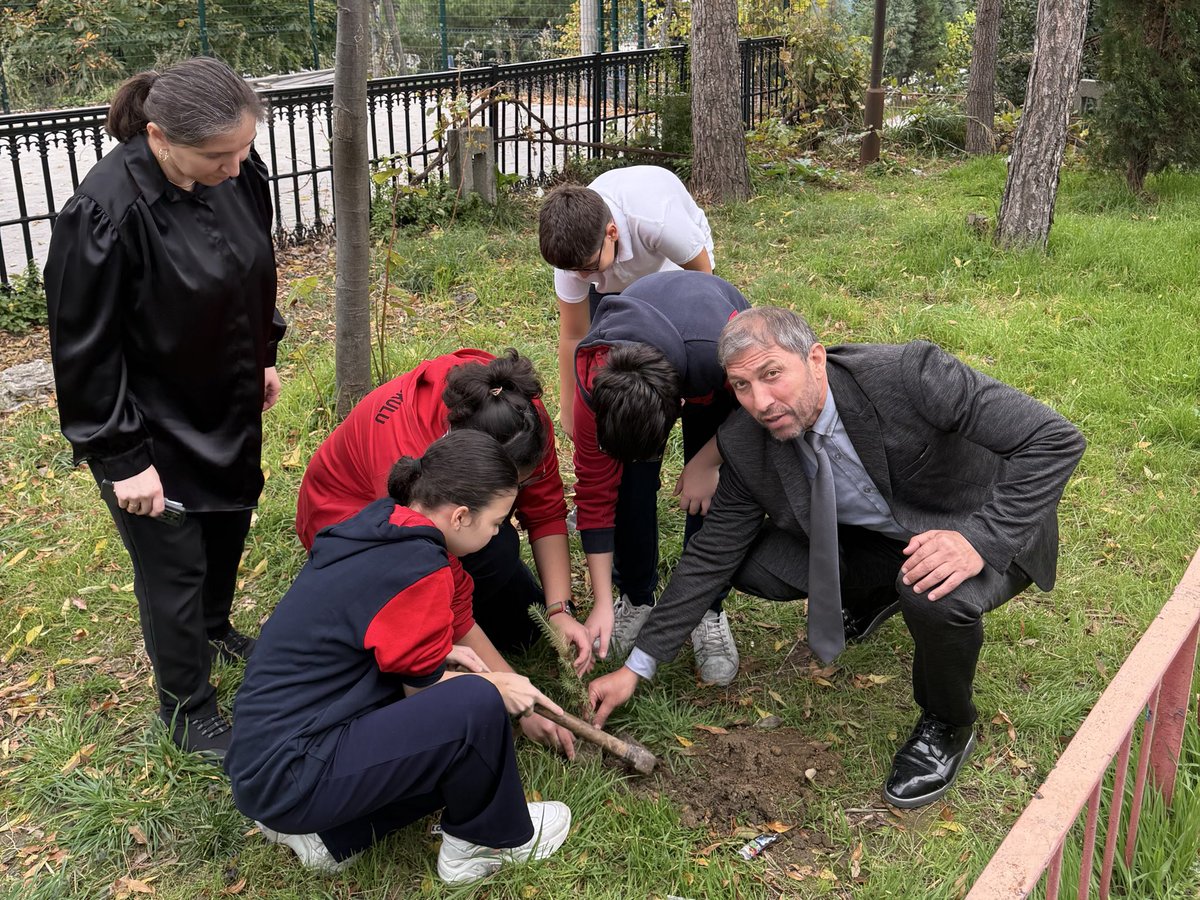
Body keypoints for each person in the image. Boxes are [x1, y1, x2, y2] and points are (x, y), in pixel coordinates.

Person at [588, 307, 1086, 809]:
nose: (759, 402)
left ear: (816, 359)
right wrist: (637, 666)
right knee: (748, 561)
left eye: (772, 374)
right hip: (880, 537)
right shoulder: (745, 442)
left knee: (930, 593)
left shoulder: (908, 376)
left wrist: (980, 538)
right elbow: (710, 555)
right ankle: (872, 593)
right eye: (740, 386)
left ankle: (948, 723)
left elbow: (1055, 439)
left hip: (985, 525)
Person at [43, 57, 286, 759]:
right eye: (219, 155)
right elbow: (83, 351)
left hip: (223, 395)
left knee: (228, 523)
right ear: (159, 136)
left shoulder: (239, 172)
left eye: (243, 148)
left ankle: (214, 626)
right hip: (147, 422)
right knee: (172, 561)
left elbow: (255, 270)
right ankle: (187, 708)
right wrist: (123, 459)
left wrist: (262, 353)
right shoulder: (104, 211)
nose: (237, 167)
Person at [226, 431, 572, 882]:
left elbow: (375, 646)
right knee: (477, 705)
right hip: (290, 771)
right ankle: (484, 842)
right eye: (497, 521)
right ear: (462, 516)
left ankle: (332, 835)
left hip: (268, 761)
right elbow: (424, 695)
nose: (500, 533)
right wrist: (497, 685)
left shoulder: (386, 526)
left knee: (461, 690)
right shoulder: (418, 569)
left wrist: (449, 658)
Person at [295, 349, 591, 685]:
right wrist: (510, 687)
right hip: (349, 525)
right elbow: (432, 570)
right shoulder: (409, 463)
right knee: (483, 558)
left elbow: (546, 509)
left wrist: (558, 610)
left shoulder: (519, 416)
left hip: (435, 516)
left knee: (512, 595)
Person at [572, 270, 748, 685]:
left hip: (711, 357)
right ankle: (635, 598)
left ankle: (708, 607)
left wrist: (709, 461)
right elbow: (595, 497)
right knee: (627, 490)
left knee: (714, 491)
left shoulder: (718, 354)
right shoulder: (593, 389)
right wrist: (599, 601)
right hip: (658, 353)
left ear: (679, 403)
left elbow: (755, 414)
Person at [538, 166, 714, 437]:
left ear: (612, 233)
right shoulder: (575, 259)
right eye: (574, 271)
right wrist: (570, 408)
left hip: (671, 268)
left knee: (679, 349)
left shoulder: (658, 223)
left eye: (588, 267)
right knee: (604, 354)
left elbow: (702, 283)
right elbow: (574, 335)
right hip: (611, 266)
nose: (582, 276)